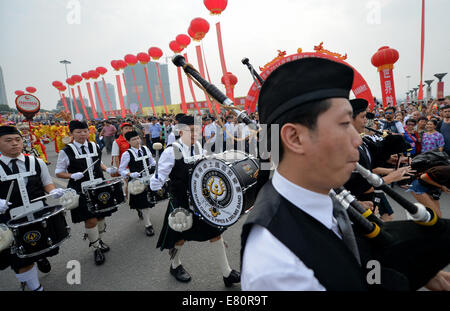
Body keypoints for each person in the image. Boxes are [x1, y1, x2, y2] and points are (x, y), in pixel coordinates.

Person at [240, 57, 450, 291]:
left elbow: (349, 256)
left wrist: (408, 270)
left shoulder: (318, 194)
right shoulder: (279, 267)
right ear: (295, 138)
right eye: (343, 124)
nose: (357, 139)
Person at [150, 115, 240, 286]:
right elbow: (157, 182)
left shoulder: (198, 146)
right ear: (181, 131)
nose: (195, 134)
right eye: (191, 131)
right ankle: (175, 265)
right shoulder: (171, 151)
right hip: (181, 201)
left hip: (201, 199)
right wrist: (156, 181)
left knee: (215, 233)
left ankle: (227, 273)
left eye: (197, 131)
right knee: (179, 238)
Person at [0, 125, 65, 291]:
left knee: (39, 245)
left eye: (17, 140)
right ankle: (35, 287)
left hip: (37, 214)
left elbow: (46, 183)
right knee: (20, 257)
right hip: (9, 219)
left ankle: (38, 258)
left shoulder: (36, 162)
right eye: (8, 141)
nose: (14, 144)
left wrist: (53, 191)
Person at [55, 120, 118, 266]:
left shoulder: (95, 145)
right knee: (91, 220)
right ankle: (96, 248)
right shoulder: (66, 151)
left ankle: (99, 240)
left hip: (98, 185)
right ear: (71, 134)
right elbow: (59, 172)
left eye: (85, 131)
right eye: (78, 132)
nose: (82, 134)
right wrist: (71, 175)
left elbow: (97, 162)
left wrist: (106, 169)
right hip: (80, 189)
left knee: (101, 217)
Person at [119, 130, 156, 236]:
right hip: (137, 181)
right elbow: (121, 170)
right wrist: (130, 174)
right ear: (128, 142)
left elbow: (151, 161)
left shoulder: (145, 148)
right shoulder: (127, 154)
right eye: (133, 139)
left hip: (148, 178)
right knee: (143, 203)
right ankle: (148, 225)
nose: (137, 141)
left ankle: (143, 213)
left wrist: (155, 163)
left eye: (138, 138)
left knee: (147, 201)